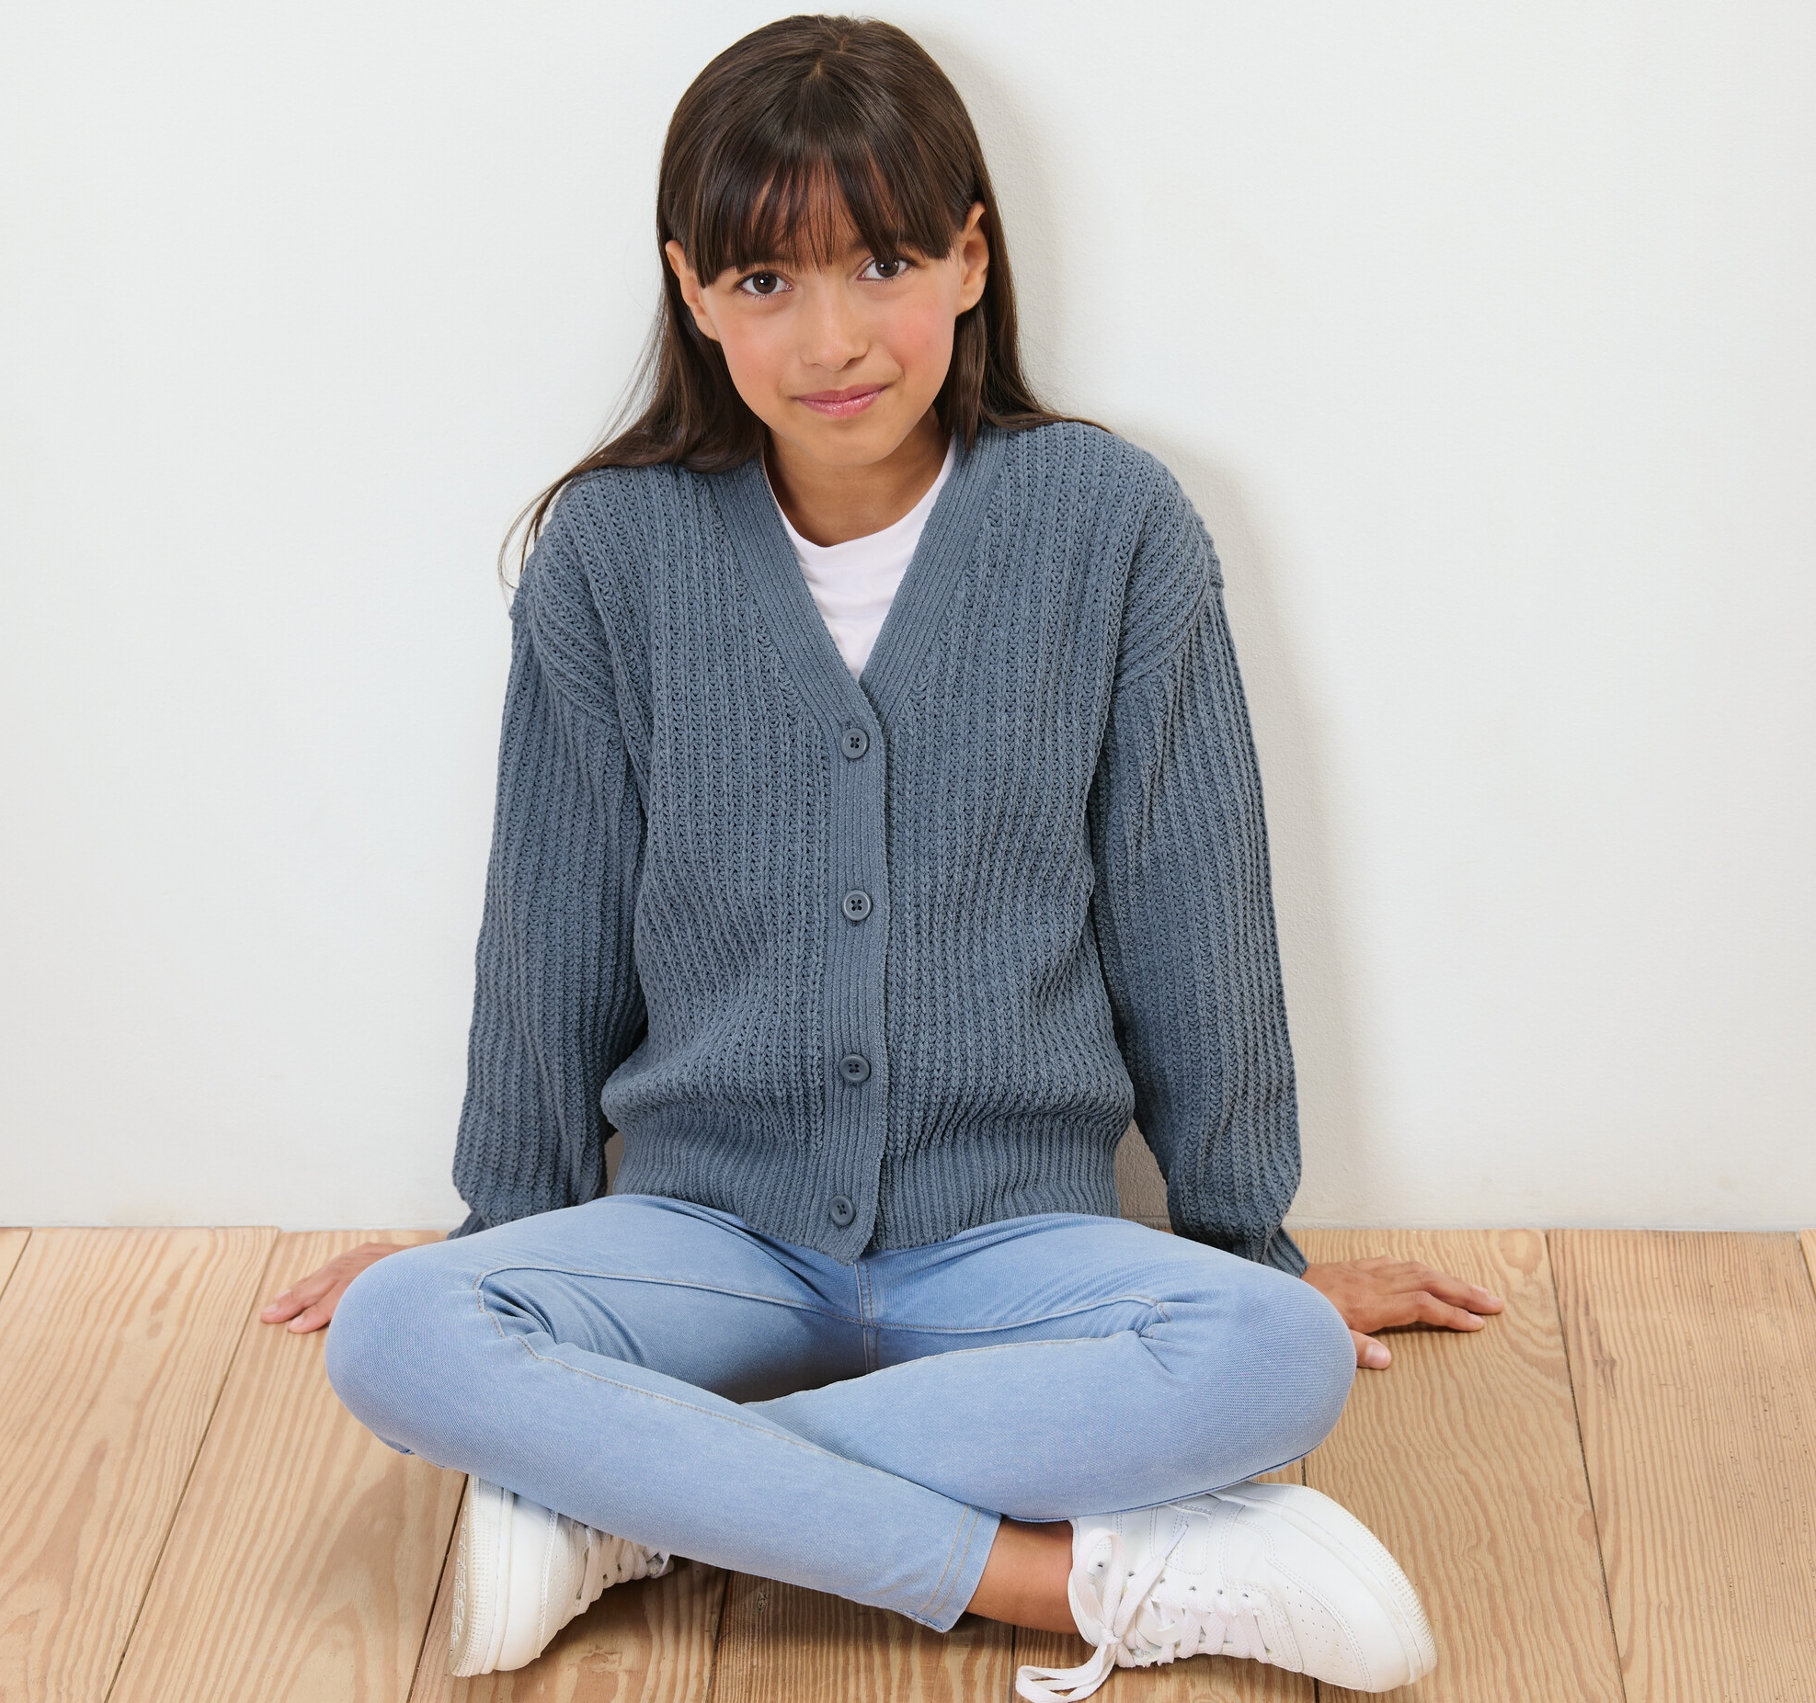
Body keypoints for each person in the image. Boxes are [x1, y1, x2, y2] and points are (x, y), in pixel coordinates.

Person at [260, 16, 1504, 1699]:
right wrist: (504, 1247)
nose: (832, 336)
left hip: (1013, 1245)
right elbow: (545, 939)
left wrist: (1245, 1252)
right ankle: (1056, 1583)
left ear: (972, 260)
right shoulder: (613, 559)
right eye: (766, 283)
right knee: (409, 1330)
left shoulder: (1108, 530)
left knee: (1278, 1359)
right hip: (712, 1233)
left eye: (885, 261)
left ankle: (629, 1503)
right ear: (691, 290)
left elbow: (1197, 925)